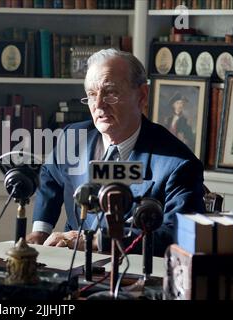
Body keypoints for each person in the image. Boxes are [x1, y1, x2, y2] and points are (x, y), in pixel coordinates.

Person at [26, 49, 205, 257]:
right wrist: (41, 230)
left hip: (132, 277)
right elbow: (50, 177)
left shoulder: (178, 163)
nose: (99, 105)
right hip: (70, 267)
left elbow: (178, 235)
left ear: (142, 96)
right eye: (92, 95)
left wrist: (99, 241)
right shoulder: (73, 138)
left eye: (110, 93)